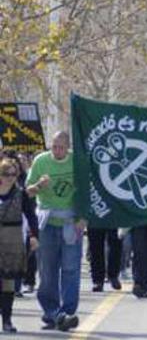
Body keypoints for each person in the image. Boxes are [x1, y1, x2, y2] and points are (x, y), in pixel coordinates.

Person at [25, 132, 84, 332]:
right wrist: (39, 185)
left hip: (70, 222)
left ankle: (66, 313)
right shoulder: (41, 161)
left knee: (70, 269)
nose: (57, 151)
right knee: (48, 270)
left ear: (68, 147)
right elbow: (28, 191)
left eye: (61, 147)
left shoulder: (77, 161)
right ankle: (53, 313)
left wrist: (83, 218)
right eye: (54, 147)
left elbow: (88, 191)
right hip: (47, 223)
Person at [0, 159, 38, 333]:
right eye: (6, 174)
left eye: (14, 174)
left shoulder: (21, 194)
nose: (10, 178)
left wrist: (34, 236)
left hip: (13, 239)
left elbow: (31, 216)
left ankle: (7, 320)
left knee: (8, 282)